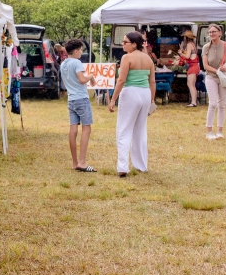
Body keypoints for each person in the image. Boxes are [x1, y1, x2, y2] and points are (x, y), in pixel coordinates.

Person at [108, 31, 156, 177]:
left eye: (125, 42)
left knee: (124, 129)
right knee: (140, 130)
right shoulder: (148, 59)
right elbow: (152, 81)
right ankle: (141, 165)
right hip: (145, 93)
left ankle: (123, 167)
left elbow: (121, 80)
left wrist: (113, 99)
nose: (123, 44)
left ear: (134, 44)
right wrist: (152, 100)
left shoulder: (126, 57)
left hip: (130, 93)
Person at [60, 38, 97, 172]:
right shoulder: (77, 62)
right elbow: (82, 80)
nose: (82, 52)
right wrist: (90, 75)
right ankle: (82, 161)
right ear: (75, 51)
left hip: (71, 100)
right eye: (81, 49)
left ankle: (75, 162)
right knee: (86, 128)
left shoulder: (63, 64)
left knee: (73, 129)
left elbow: (65, 84)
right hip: (81, 99)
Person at [201, 24, 226, 140]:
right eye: (210, 32)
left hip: (224, 77)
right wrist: (217, 71)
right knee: (213, 103)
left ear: (220, 33)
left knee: (222, 104)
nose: (211, 34)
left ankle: (220, 131)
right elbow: (205, 65)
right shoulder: (206, 47)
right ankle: (209, 131)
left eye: (214, 32)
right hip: (211, 76)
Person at [180, 30, 199, 107]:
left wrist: (181, 53)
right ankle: (194, 101)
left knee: (190, 84)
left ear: (186, 38)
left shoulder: (188, 44)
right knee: (192, 85)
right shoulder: (193, 44)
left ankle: (193, 102)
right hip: (195, 66)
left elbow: (187, 56)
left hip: (193, 66)